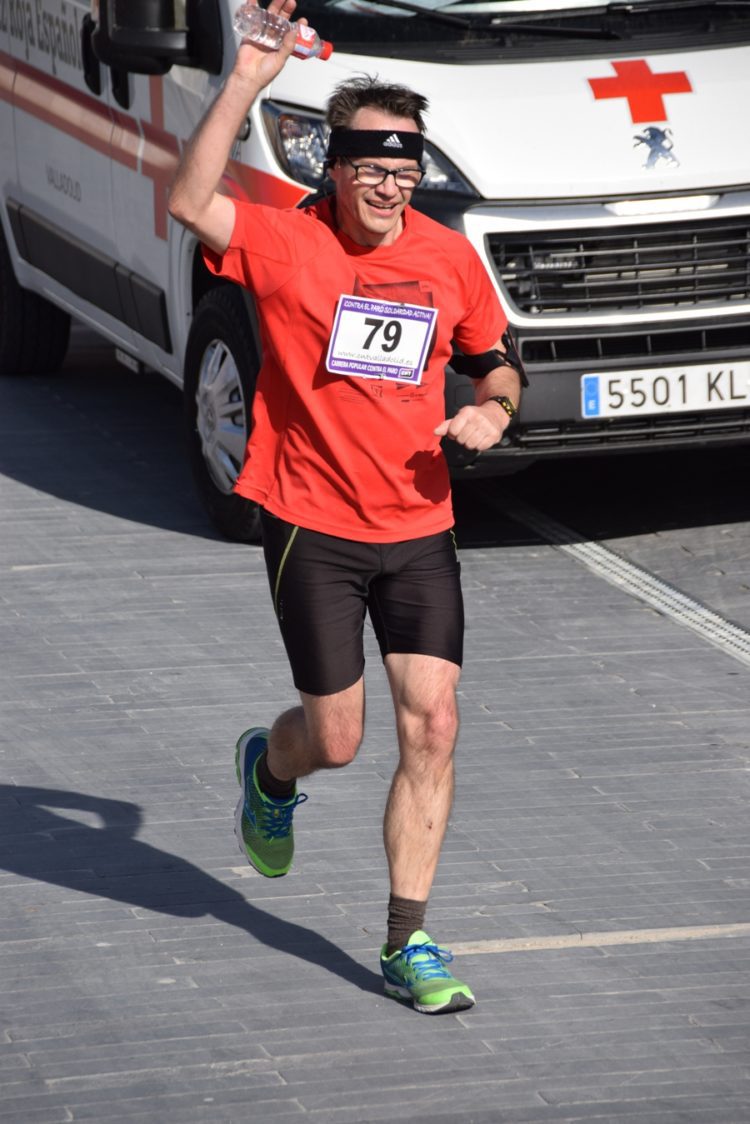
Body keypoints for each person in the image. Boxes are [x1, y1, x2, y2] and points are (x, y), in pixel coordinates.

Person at [168, 0, 525, 1015]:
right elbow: (190, 201)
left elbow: (497, 365)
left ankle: (407, 938)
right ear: (334, 164)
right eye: (372, 168)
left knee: (437, 723)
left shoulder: (445, 258)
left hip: (418, 521)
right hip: (311, 522)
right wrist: (244, 77)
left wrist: (493, 411)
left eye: (405, 172)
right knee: (337, 739)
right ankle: (269, 772)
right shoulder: (286, 245)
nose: (388, 188)